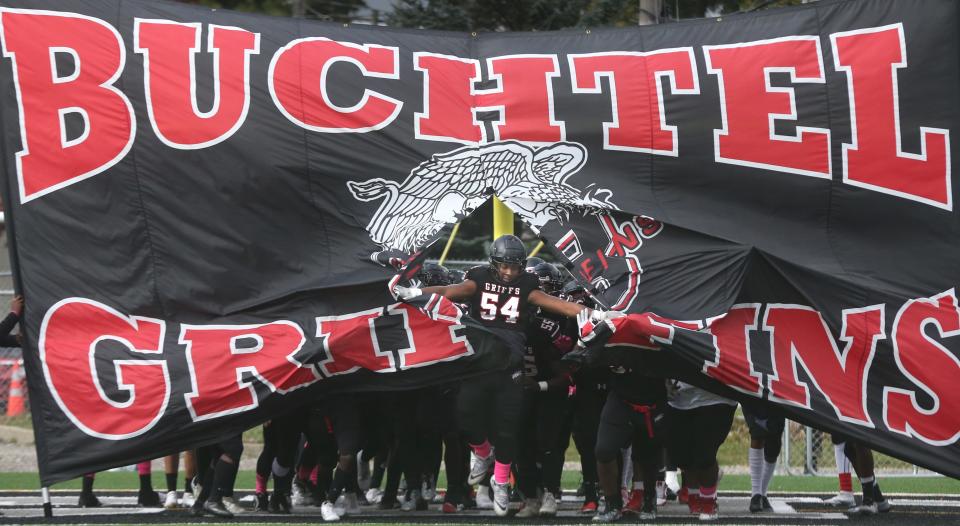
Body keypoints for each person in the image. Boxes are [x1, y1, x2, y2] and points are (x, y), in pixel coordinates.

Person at [391, 235, 620, 517]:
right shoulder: (478, 278)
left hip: (511, 363)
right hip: (482, 360)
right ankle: (483, 452)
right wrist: (418, 294)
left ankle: (500, 482)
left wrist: (595, 313)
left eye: (515, 267)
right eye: (505, 266)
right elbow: (452, 291)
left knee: (508, 426)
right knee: (465, 416)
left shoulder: (527, 285)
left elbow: (556, 304)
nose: (510, 272)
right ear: (494, 263)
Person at [666, 381, 737, 521]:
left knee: (704, 454)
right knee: (681, 455)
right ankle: (694, 494)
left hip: (715, 396)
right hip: (680, 398)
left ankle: (708, 501)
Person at [742, 403, 785, 512]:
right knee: (757, 435)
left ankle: (762, 493)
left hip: (775, 395)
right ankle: (756, 494)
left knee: (773, 450)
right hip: (754, 394)